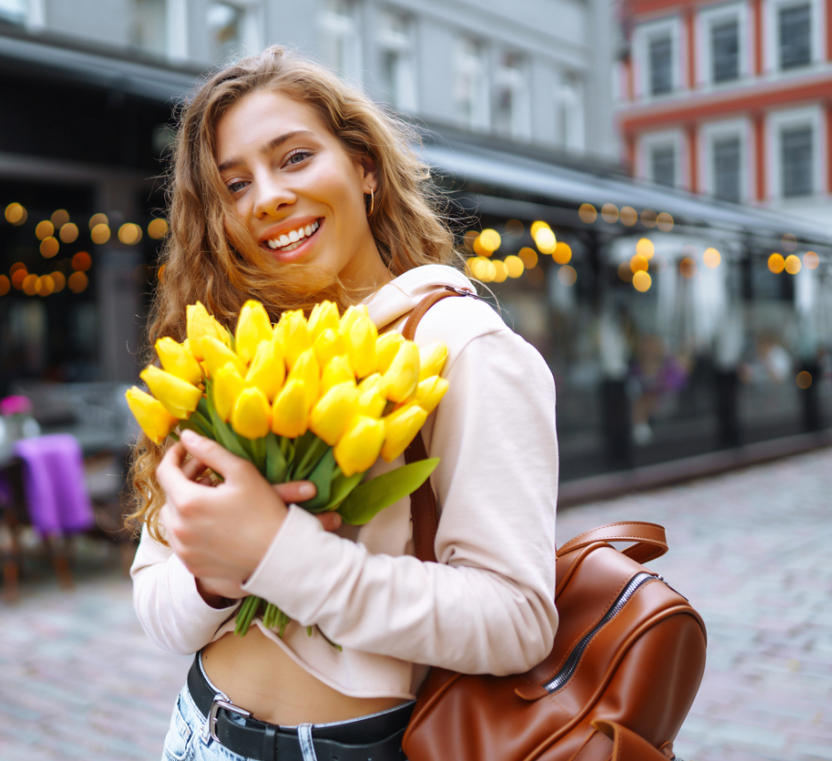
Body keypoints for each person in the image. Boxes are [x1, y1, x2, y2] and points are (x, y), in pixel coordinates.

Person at [129, 46, 559, 761]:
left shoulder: (459, 343)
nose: (266, 197)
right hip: (195, 731)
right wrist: (213, 573)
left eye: (294, 158)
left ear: (363, 166)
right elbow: (158, 607)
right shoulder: (230, 349)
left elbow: (516, 621)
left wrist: (277, 553)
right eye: (234, 185)